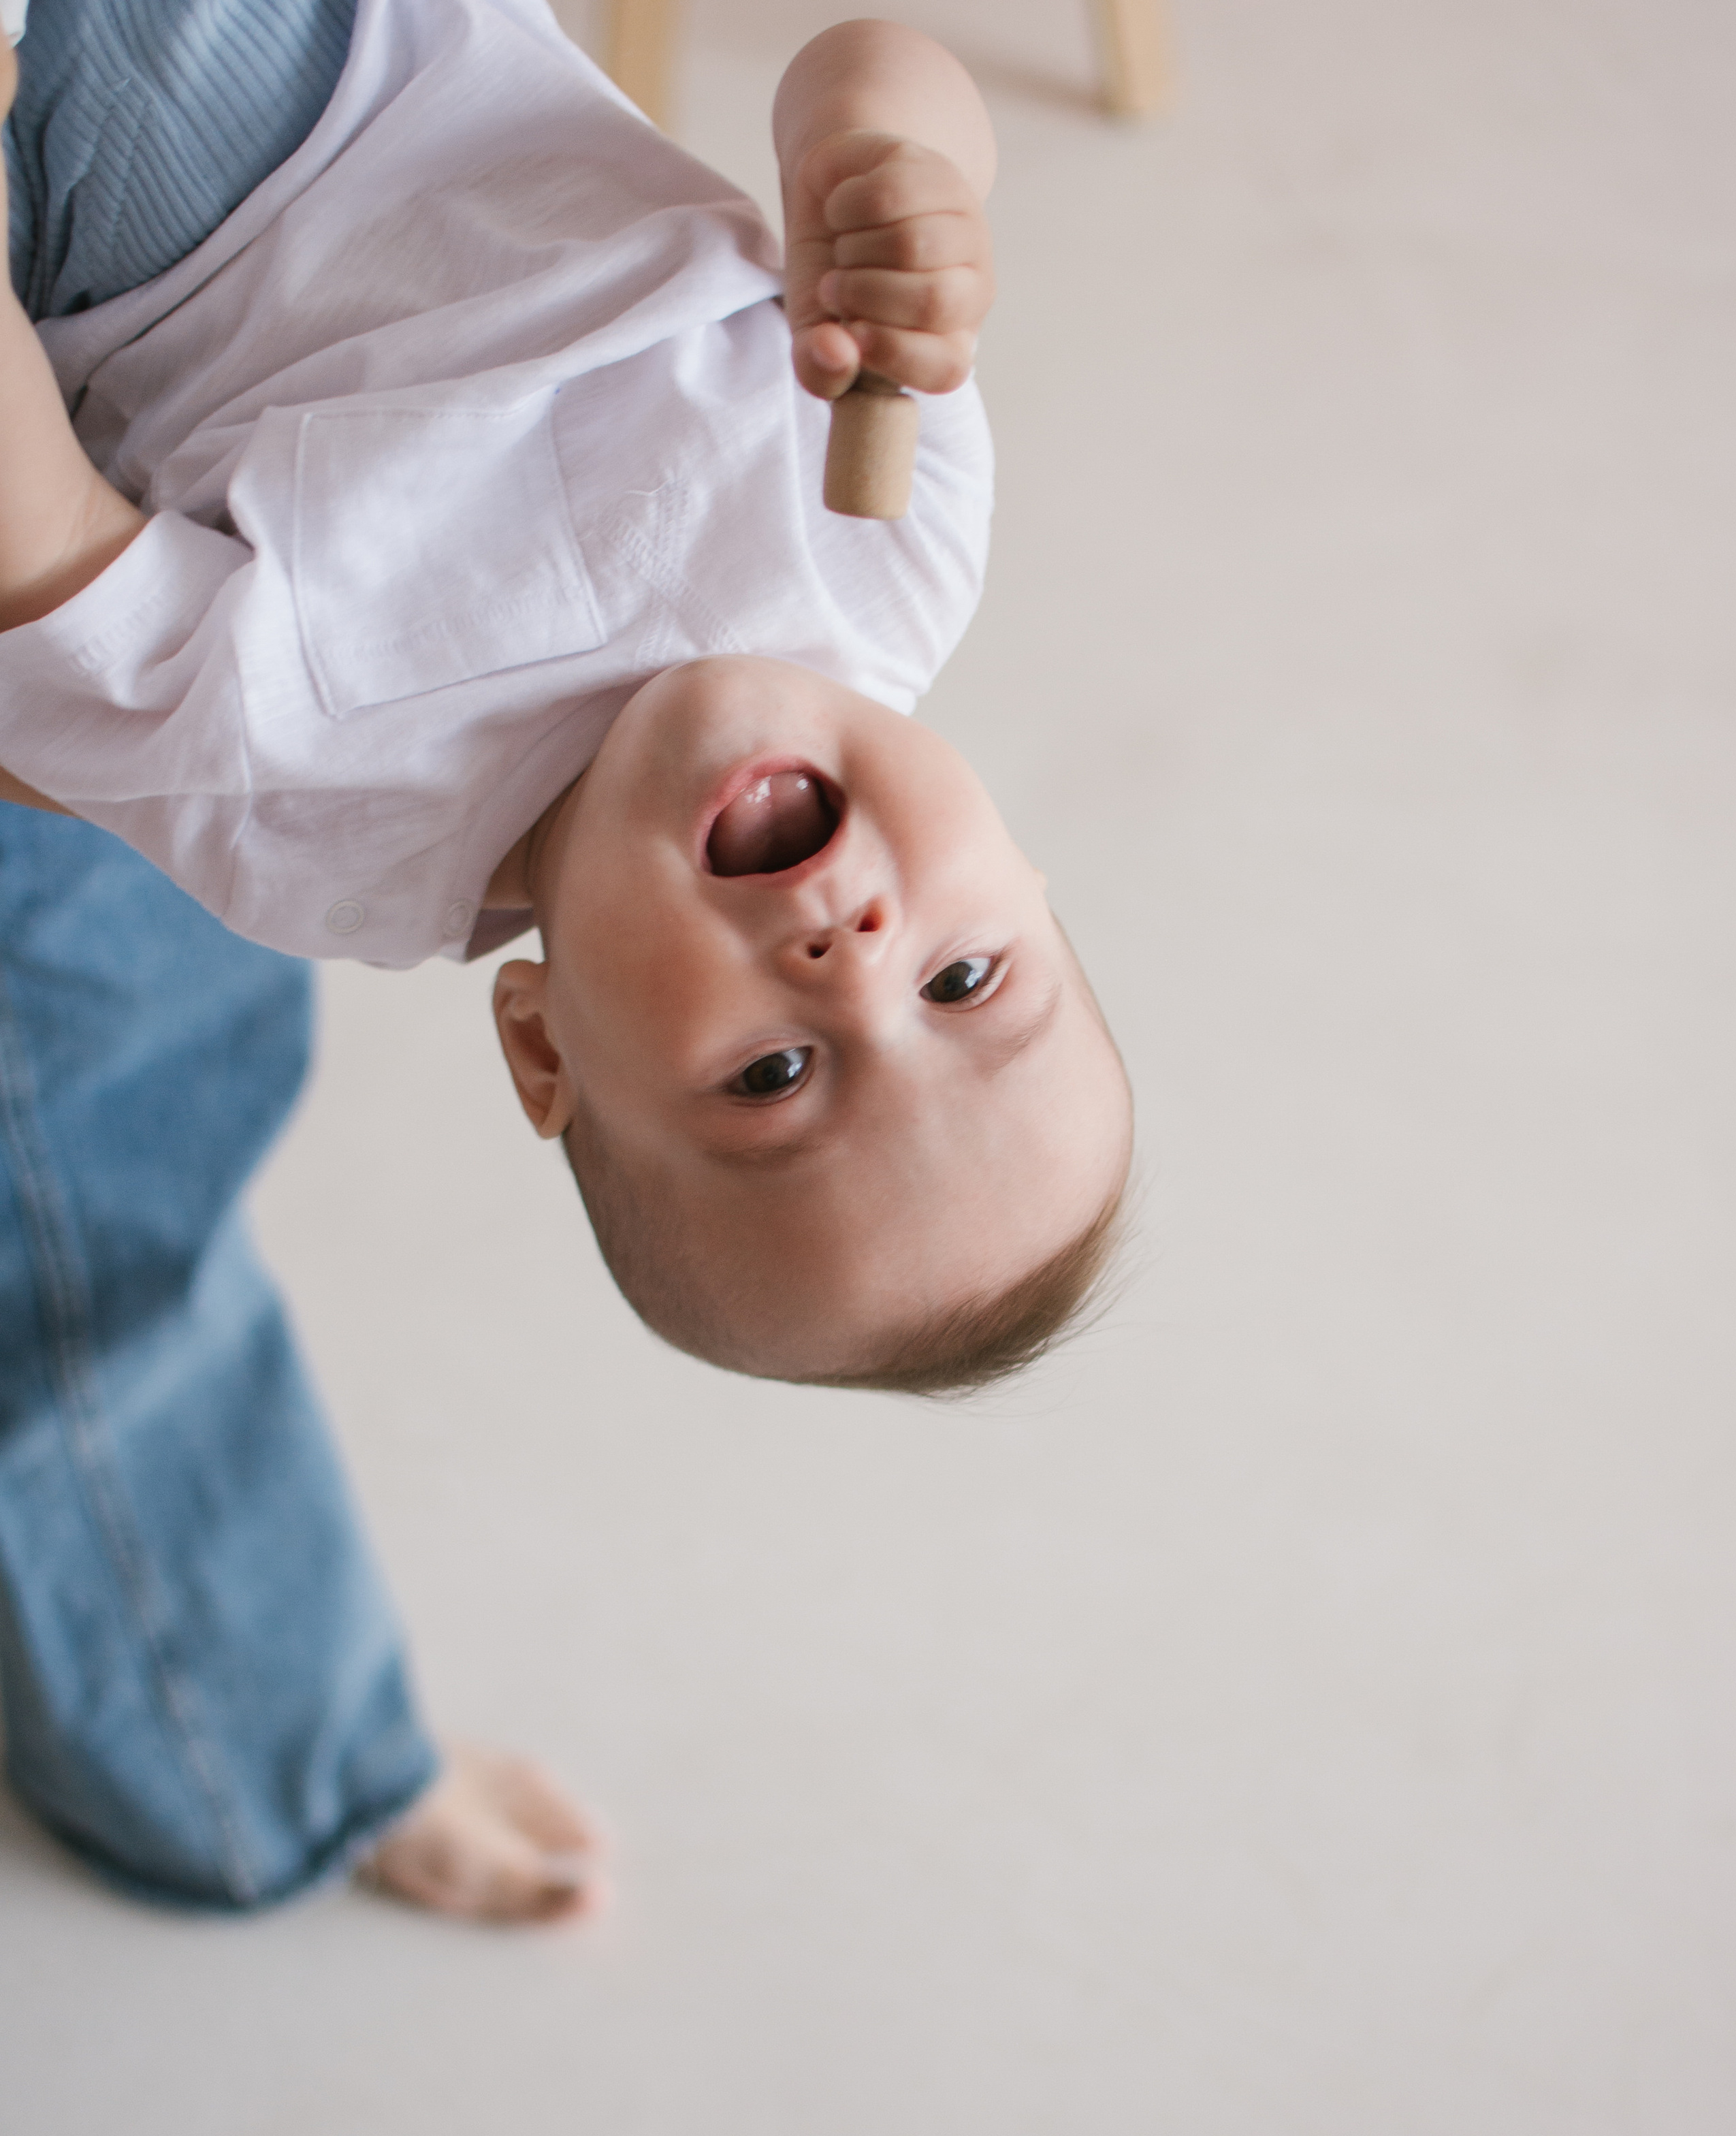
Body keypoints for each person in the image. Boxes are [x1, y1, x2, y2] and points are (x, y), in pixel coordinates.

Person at [0, 0, 1131, 1918]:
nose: (851, 959)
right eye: (966, 986)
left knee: (85, 1142)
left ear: (543, 1049)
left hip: (113, 175)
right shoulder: (886, 540)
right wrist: (898, 166)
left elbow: (48, 578)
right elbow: (868, 62)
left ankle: (249, 1757)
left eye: (775, 1075)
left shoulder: (326, 815)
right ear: (1022, 871)